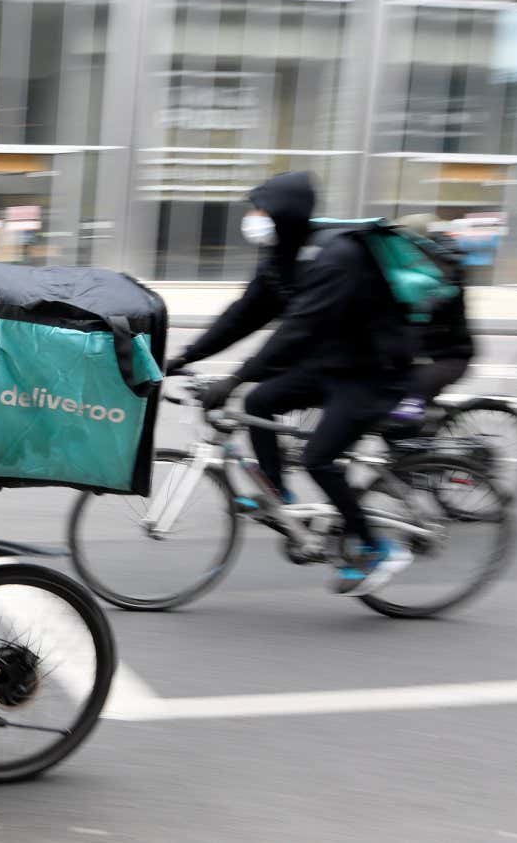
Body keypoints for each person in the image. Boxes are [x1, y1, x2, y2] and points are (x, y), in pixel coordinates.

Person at [167, 172, 418, 596]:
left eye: (260, 209)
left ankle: (377, 548)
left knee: (320, 458)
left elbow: (294, 333)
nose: (253, 218)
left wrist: (232, 380)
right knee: (260, 402)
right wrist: (185, 356)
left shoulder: (336, 256)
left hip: (373, 372)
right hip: (330, 363)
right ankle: (279, 496)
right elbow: (243, 315)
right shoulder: (282, 254)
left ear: (284, 213)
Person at [385, 214, 473, 425]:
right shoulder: (414, 265)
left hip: (448, 355)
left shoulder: (444, 268)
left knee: (408, 401)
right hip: (422, 351)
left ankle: (423, 447)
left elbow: (431, 304)